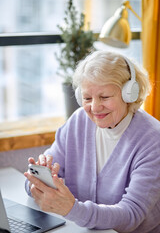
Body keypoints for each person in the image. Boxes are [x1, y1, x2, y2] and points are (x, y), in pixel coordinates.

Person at [24, 50, 160, 233]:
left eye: (104, 97)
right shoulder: (78, 122)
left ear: (130, 94)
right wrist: (38, 180)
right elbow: (37, 180)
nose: (94, 108)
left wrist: (71, 209)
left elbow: (130, 216)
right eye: (87, 98)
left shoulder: (152, 140)